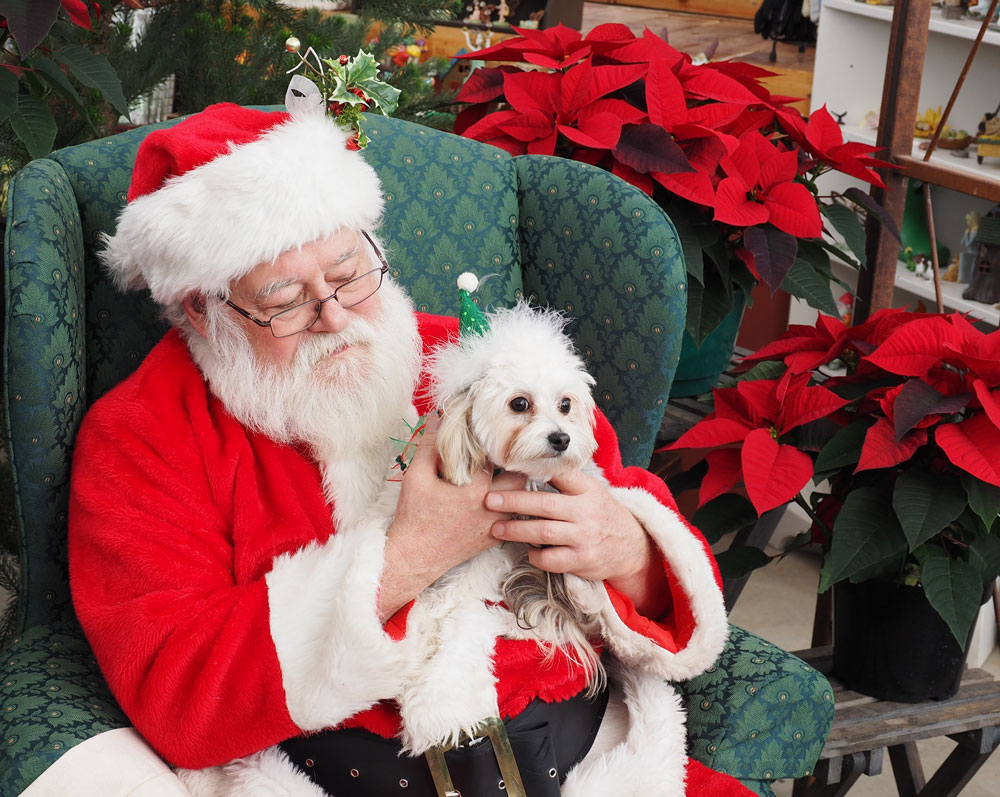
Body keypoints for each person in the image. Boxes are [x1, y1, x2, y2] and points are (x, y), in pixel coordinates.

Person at [68, 103, 747, 796]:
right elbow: (178, 689)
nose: (333, 315)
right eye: (284, 298)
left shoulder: (481, 359)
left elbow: (626, 507)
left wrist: (627, 549)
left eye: (348, 272)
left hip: (601, 763)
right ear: (203, 309)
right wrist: (407, 556)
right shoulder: (140, 435)